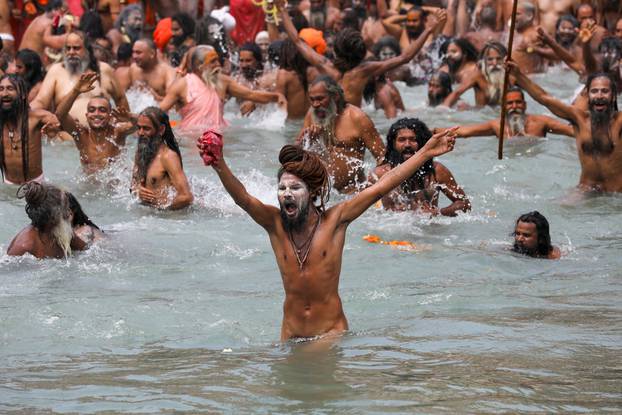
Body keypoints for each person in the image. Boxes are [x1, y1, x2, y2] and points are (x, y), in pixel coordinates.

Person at [199, 127, 457, 341]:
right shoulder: (274, 223)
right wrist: (218, 163)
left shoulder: (336, 220)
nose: (286, 193)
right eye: (282, 188)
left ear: (311, 192)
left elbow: (381, 187)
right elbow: (242, 198)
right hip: (290, 335)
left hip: (330, 334)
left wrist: (425, 152)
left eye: (295, 187)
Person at [280, 0, 446, 107]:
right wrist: (429, 28)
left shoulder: (326, 67)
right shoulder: (365, 70)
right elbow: (405, 57)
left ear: (336, 51)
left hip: (330, 124)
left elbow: (297, 41)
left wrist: (282, 9)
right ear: (360, 53)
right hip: (353, 123)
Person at [507, 60, 622, 193]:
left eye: (605, 91)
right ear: (588, 96)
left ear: (613, 96)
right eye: (594, 91)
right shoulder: (579, 119)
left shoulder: (619, 122)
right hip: (586, 191)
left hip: (616, 195)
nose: (599, 96)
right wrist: (518, 75)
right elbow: (544, 98)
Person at [159, 46, 287, 135]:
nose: (218, 65)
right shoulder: (182, 85)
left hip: (218, 135)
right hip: (190, 137)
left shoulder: (223, 81)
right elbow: (159, 111)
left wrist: (276, 97)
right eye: (213, 61)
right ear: (200, 66)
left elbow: (251, 94)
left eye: (217, 60)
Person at [297, 76, 386, 193]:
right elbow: (296, 153)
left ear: (335, 96)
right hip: (320, 192)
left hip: (352, 193)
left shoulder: (357, 118)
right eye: (312, 99)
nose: (315, 104)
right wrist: (307, 141)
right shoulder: (312, 114)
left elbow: (383, 159)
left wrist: (373, 184)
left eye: (320, 99)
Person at [373, 118, 470, 215]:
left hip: (429, 227)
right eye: (402, 140)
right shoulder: (379, 174)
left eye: (413, 139)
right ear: (393, 144)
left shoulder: (436, 171)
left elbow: (464, 204)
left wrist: (439, 212)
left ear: (424, 143)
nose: (407, 145)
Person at [30, 31, 129, 125]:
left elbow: (120, 98)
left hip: (102, 137)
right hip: (67, 138)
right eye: (68, 48)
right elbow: (41, 101)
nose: (71, 52)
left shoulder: (104, 69)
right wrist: (25, 112)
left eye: (76, 48)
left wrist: (125, 126)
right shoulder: (56, 70)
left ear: (87, 50)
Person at [55, 72, 137, 173]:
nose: (96, 114)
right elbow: (60, 114)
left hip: (113, 187)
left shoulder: (118, 132)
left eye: (102, 110)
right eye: (92, 110)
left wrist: (130, 116)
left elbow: (142, 123)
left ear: (110, 116)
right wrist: (76, 91)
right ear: (87, 115)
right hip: (88, 187)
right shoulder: (81, 134)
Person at [0, 75, 60, 185]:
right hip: (7, 186)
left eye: (10, 88)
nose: (4, 94)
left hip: (36, 186)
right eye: (1, 89)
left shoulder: (37, 118)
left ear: (22, 95)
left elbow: (61, 120)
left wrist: (55, 127)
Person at [446, 87, 574, 139]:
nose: (514, 107)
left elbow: (571, 131)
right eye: (509, 103)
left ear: (524, 105)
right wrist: (431, 132)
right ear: (503, 108)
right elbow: (465, 131)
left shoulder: (541, 122)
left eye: (518, 102)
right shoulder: (497, 126)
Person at [131, 107, 194, 210]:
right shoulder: (141, 152)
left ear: (161, 129)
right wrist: (138, 191)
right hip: (146, 218)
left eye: (146, 128)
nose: (140, 133)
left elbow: (186, 197)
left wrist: (161, 206)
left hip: (166, 220)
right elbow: (133, 186)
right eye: (139, 128)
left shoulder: (168, 157)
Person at [7, 182, 87, 259]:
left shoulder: (63, 233)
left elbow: (87, 250)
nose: (70, 213)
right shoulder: (25, 246)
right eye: (65, 209)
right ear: (52, 218)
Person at [116, 38, 177, 103]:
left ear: (152, 54)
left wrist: (154, 96)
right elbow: (121, 98)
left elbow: (174, 104)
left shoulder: (167, 72)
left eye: (138, 53)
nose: (134, 56)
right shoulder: (133, 69)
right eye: (133, 52)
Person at [439, 37, 489, 106]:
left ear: (464, 54)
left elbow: (457, 93)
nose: (449, 55)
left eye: (454, 52)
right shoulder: (443, 71)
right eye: (447, 52)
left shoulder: (474, 70)